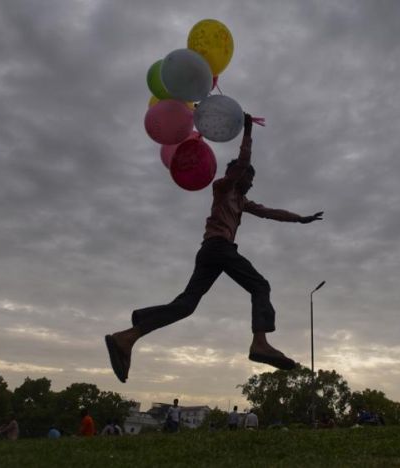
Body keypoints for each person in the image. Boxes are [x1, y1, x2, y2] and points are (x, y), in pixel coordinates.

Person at [105, 113, 323, 382]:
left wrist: (300, 218)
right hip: (218, 248)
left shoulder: (241, 200)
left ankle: (126, 337)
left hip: (211, 252)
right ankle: (260, 342)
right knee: (260, 285)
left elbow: (270, 212)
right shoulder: (224, 187)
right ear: (236, 175)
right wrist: (247, 133)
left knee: (186, 305)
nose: (251, 182)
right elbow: (243, 165)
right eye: (249, 178)